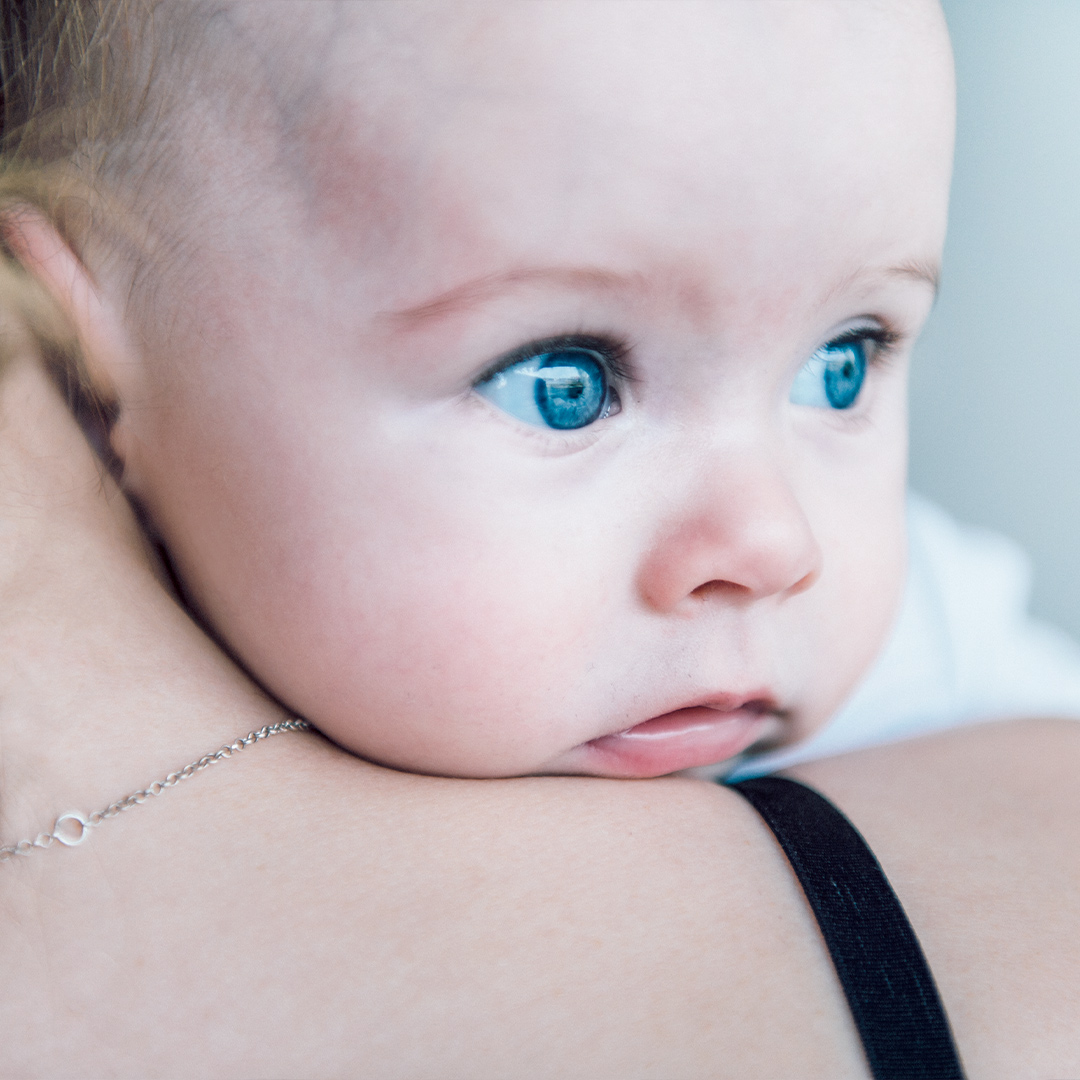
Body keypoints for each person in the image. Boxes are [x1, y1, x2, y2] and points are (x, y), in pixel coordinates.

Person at [1, 1, 1079, 1073]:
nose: (771, 543)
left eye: (843, 361)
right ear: (95, 379)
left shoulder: (951, 668)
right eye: (567, 384)